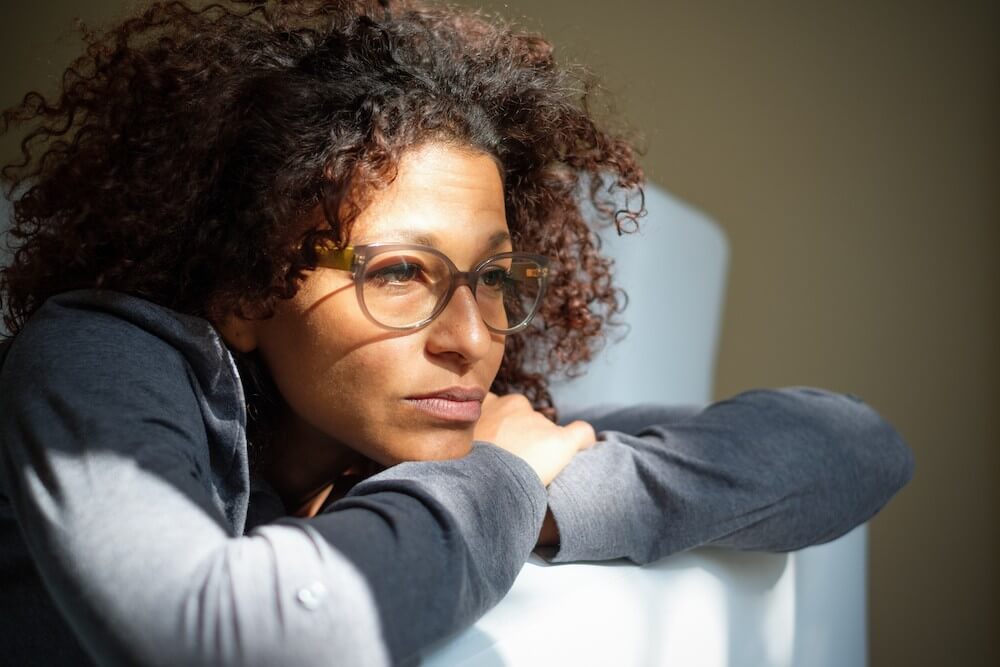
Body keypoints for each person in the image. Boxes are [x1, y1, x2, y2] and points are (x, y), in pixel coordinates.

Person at [0, 1, 914, 666]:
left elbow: (851, 443)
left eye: (496, 279)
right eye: (400, 272)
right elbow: (224, 638)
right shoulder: (93, 356)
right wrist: (502, 480)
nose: (473, 339)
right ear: (244, 285)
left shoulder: (396, 430)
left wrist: (541, 492)